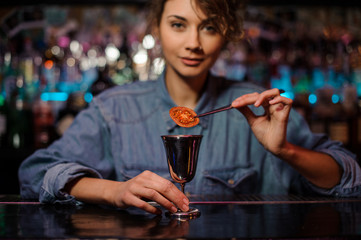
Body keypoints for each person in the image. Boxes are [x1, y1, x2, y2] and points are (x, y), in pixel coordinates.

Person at [19, 0, 361, 215]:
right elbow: (35, 173)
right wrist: (115, 191)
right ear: (159, 28)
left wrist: (285, 149)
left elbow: (349, 178)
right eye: (178, 25)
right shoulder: (115, 108)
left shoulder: (256, 107)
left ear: (225, 35)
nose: (193, 43)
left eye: (209, 27)